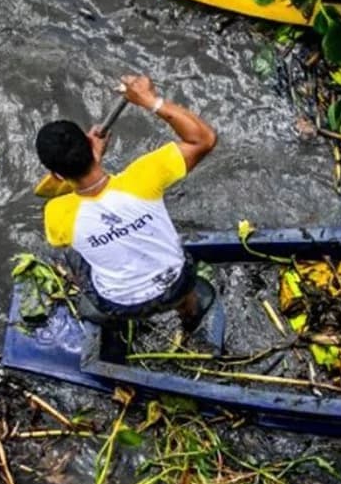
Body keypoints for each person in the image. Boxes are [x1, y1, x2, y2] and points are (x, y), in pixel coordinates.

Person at [35, 74, 218, 333]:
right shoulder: (142, 178)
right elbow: (204, 139)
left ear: (56, 175)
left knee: (70, 252)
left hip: (119, 304)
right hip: (176, 284)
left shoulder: (56, 214)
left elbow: (71, 202)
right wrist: (150, 101)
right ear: (90, 146)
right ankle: (189, 313)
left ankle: (115, 320)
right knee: (180, 280)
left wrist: (86, 162)